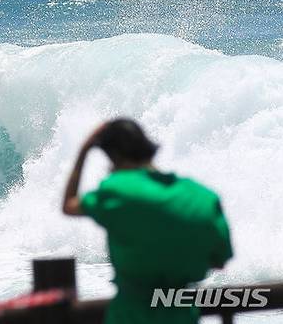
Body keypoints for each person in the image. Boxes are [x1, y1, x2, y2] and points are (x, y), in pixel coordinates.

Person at [62, 118, 233, 324]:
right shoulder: (203, 197)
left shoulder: (117, 191)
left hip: (131, 315)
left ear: (114, 155)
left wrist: (84, 150)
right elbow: (220, 260)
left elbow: (69, 205)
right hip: (182, 313)